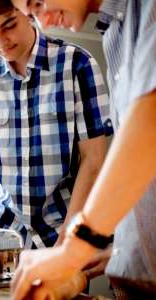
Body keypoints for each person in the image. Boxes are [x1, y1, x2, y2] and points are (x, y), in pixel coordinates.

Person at [10, 0, 156, 299]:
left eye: (37, 3)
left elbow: (151, 123)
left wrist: (74, 250)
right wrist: (123, 252)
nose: (44, 22)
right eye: (31, 15)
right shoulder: (115, 31)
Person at [0, 0, 111, 271]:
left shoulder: (77, 64)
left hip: (62, 231)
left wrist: (69, 238)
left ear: (29, 12)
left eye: (9, 25)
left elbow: (94, 159)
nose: (0, 41)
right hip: (6, 237)